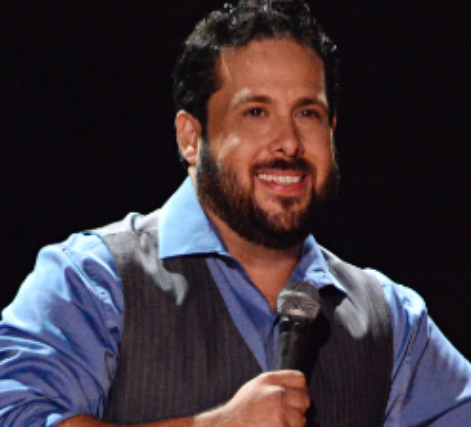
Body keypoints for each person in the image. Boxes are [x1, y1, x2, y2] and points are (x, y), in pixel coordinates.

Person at [1, 1, 471, 426]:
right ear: (191, 137)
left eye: (307, 113)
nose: (288, 143)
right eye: (256, 112)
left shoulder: (391, 320)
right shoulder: (91, 280)